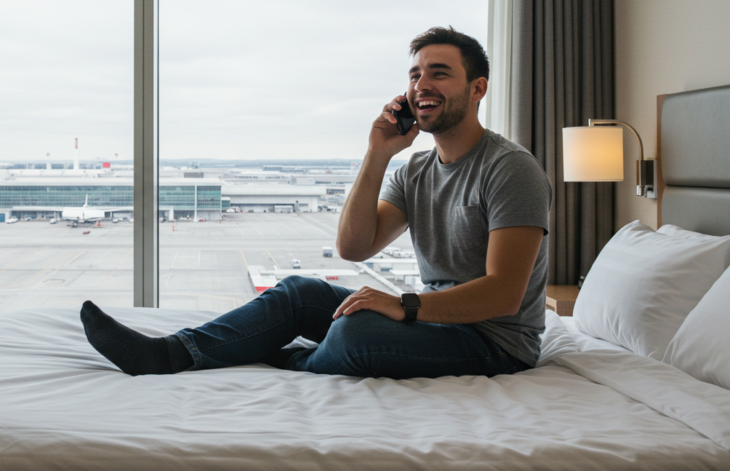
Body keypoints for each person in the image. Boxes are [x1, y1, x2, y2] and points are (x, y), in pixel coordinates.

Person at [80, 26, 552, 379]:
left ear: (478, 88)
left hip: (493, 341)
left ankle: (284, 360)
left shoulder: (510, 168)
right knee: (298, 292)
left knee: (355, 331)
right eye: (415, 75)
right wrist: (378, 152)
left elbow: (503, 294)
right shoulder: (416, 171)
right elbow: (354, 246)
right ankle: (167, 354)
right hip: (435, 322)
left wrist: (404, 305)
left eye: (439, 73)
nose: (421, 85)